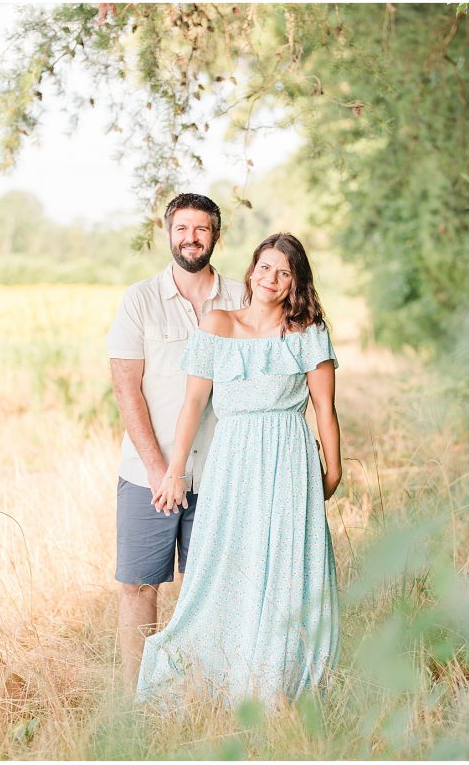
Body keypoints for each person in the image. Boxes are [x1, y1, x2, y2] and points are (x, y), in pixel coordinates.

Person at [135, 232, 341, 704]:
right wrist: (175, 470)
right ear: (252, 271)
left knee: (290, 567)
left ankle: (279, 681)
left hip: (291, 460)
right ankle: (215, 673)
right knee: (226, 562)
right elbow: (192, 404)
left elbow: (325, 411)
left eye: (284, 272)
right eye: (265, 267)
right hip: (233, 461)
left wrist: (332, 472)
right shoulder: (218, 324)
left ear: (296, 284)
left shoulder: (308, 334)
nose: (272, 278)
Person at [107, 193, 246, 689]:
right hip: (148, 475)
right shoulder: (139, 300)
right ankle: (134, 696)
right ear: (168, 233)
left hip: (222, 473)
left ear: (215, 236)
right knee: (139, 585)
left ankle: (198, 691)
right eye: (182, 228)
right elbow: (126, 387)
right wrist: (155, 468)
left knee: (208, 587)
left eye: (202, 229)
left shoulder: (243, 298)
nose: (192, 238)